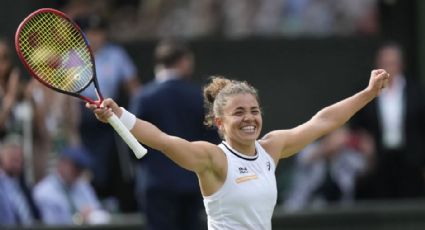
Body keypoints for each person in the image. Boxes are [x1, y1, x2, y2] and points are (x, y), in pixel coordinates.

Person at [88, 68, 390, 229]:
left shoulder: (272, 148)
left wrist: (368, 93)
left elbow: (322, 122)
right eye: (239, 112)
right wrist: (120, 115)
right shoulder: (212, 159)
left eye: (254, 110)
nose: (249, 118)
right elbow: (162, 140)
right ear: (219, 122)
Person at [130, 40, 220, 230]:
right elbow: (213, 139)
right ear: (184, 62)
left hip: (155, 183)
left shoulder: (143, 96)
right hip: (191, 181)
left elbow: (131, 140)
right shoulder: (198, 96)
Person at [74, 14, 141, 211]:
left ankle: (116, 201)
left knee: (115, 161)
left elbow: (133, 86)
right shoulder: (72, 57)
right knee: (88, 164)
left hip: (109, 112)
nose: (95, 37)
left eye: (99, 32)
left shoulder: (116, 54)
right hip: (82, 116)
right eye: (90, 33)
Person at [352, 42, 425, 199]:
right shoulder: (366, 92)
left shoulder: (416, 91)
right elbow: (355, 124)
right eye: (384, 63)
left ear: (401, 65)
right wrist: (363, 139)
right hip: (377, 161)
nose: (388, 68)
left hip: (410, 160)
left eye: (392, 63)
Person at [283, 126, 373, 212]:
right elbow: (306, 159)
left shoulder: (347, 156)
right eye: (336, 134)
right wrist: (329, 147)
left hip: (338, 213)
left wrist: (369, 153)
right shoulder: (309, 149)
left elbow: (365, 169)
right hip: (302, 210)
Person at [33, 146, 110, 225]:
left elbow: (97, 210)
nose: (78, 172)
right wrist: (79, 219)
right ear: (62, 163)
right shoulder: (43, 191)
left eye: (81, 169)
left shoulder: (83, 186)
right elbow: (50, 224)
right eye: (76, 167)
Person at [0, 134, 40, 225]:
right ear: (1, 159)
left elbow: (35, 214)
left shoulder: (25, 186)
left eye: (18, 159)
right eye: (12, 159)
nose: (16, 163)